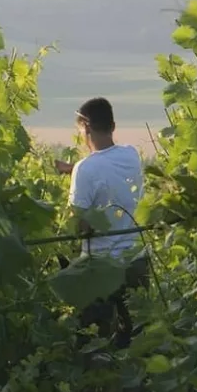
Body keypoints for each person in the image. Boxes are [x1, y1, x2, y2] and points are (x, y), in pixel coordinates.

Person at [54, 97, 147, 349]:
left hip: (102, 268)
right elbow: (108, 174)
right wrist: (72, 170)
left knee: (97, 343)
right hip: (137, 261)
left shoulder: (85, 169)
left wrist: (75, 174)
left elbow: (80, 226)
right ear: (112, 126)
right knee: (136, 341)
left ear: (85, 127)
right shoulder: (131, 155)